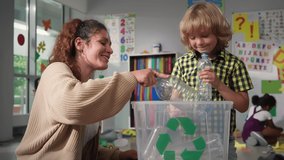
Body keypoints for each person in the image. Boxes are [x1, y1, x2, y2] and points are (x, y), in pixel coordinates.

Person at [16, 19, 169, 160]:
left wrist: (117, 156)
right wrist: (132, 77)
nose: (110, 50)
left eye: (110, 44)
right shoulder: (55, 70)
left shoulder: (85, 84)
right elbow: (73, 104)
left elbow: (80, 149)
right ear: (80, 44)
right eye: (103, 43)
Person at [171, 2, 253, 159]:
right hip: (190, 136)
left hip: (222, 138)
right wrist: (174, 109)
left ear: (218, 33)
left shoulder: (234, 64)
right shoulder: (182, 63)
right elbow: (174, 98)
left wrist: (219, 85)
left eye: (204, 35)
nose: (199, 43)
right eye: (192, 37)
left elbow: (243, 106)